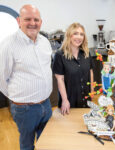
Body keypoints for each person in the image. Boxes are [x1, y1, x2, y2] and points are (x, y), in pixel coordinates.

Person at [0, 5, 52, 150]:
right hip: (25, 109)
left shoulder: (45, 42)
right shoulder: (8, 45)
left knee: (46, 141)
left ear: (41, 22)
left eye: (36, 19)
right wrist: (17, 99)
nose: (32, 23)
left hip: (46, 104)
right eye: (27, 19)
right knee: (27, 144)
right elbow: (1, 79)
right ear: (19, 21)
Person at [52, 23, 94, 115]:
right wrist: (65, 100)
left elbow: (90, 72)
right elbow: (60, 79)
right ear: (69, 35)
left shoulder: (86, 53)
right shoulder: (59, 55)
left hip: (86, 98)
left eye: (81, 34)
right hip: (70, 100)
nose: (79, 37)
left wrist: (92, 90)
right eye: (75, 33)